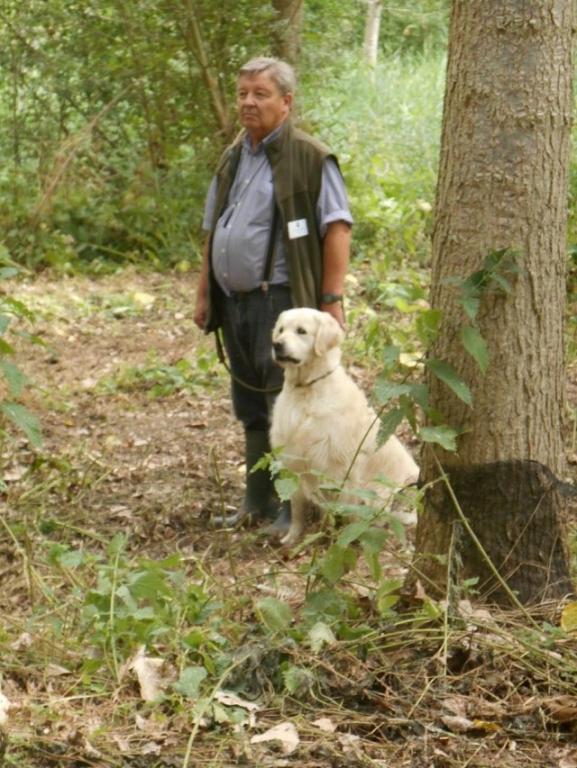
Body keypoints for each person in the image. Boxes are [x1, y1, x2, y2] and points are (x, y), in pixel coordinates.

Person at [194, 56, 353, 533]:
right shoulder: (235, 154)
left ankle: (294, 513)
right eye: (243, 92)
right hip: (234, 303)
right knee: (251, 407)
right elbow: (212, 228)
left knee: (285, 408)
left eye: (260, 94)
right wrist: (204, 292)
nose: (248, 102)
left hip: (281, 302)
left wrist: (331, 299)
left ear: (286, 102)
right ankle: (255, 504)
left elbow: (337, 226)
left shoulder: (309, 156)